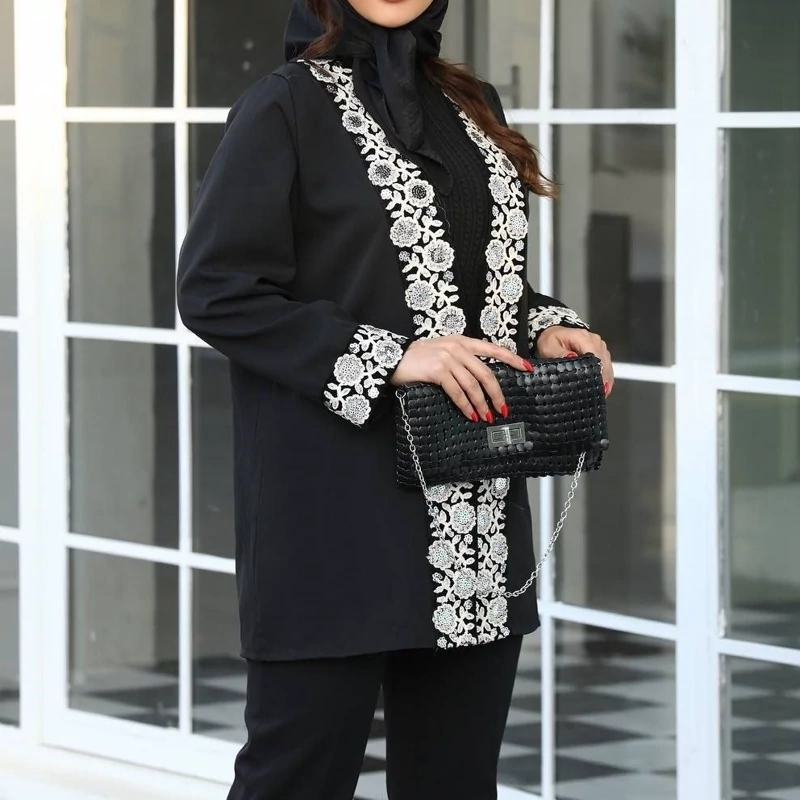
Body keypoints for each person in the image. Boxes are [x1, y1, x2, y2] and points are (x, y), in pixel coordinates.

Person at [176, 0, 614, 797]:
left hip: (472, 516)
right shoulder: (284, 105)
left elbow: (474, 289)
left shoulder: (470, 103)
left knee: (454, 783)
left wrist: (545, 325)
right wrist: (392, 357)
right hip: (330, 512)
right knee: (297, 779)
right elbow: (216, 290)